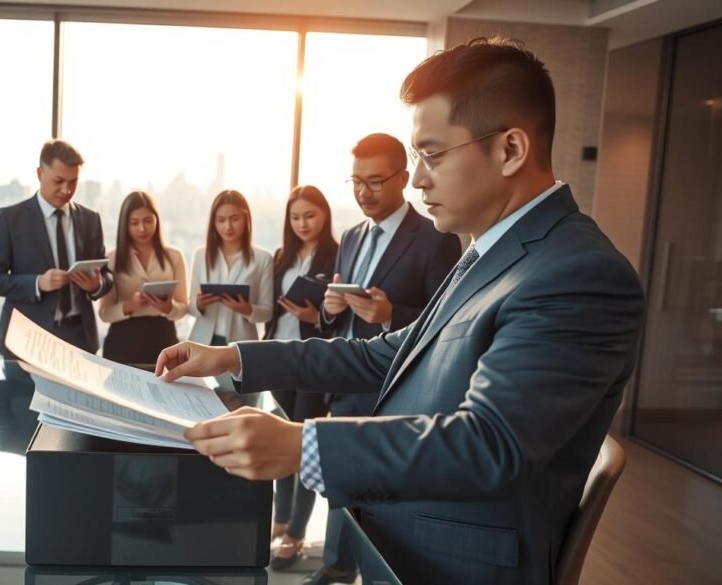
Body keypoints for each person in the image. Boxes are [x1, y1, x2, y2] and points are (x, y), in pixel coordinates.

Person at [156, 37, 646, 585]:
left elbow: (490, 445)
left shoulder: (577, 275)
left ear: (510, 150)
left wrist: (301, 444)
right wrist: (231, 358)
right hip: (403, 543)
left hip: (455, 568)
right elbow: (386, 356)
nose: (415, 180)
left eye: (432, 156)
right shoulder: (489, 251)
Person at [309, 133, 461, 584]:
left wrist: (392, 314)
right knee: (340, 482)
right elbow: (332, 320)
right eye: (356, 181)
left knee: (383, 497)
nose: (363, 192)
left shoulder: (435, 239)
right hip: (347, 383)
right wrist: (329, 309)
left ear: (402, 176)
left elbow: (448, 327)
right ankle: (335, 569)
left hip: (396, 391)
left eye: (374, 182)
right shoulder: (352, 236)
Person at [261, 185, 339, 571]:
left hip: (312, 360)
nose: (302, 223)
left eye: (310, 215)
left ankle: (295, 531)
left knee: (304, 443)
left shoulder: (338, 255)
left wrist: (316, 319)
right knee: (278, 440)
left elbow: (340, 316)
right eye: (295, 217)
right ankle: (279, 518)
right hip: (279, 357)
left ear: (324, 215)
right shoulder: (281, 257)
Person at [0, 139, 113, 355]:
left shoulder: (90, 219)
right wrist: (37, 283)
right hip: (26, 338)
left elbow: (107, 276)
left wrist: (96, 285)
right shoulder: (10, 219)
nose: (67, 189)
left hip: (79, 339)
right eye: (59, 180)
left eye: (73, 181)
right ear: (39, 174)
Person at [98, 191, 189, 367]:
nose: (142, 228)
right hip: (122, 342)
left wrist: (169, 308)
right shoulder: (112, 258)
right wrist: (129, 306)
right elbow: (104, 313)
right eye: (134, 223)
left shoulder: (175, 256)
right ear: (125, 225)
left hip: (164, 340)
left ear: (157, 219)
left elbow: (184, 307)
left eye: (148, 221)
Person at [188, 189, 273, 348]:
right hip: (202, 340)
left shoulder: (263, 259)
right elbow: (190, 306)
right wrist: (198, 304)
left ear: (246, 218)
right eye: (221, 220)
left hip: (242, 344)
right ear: (213, 222)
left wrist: (248, 310)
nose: (228, 226)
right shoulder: (201, 255)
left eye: (235, 219)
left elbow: (267, 312)